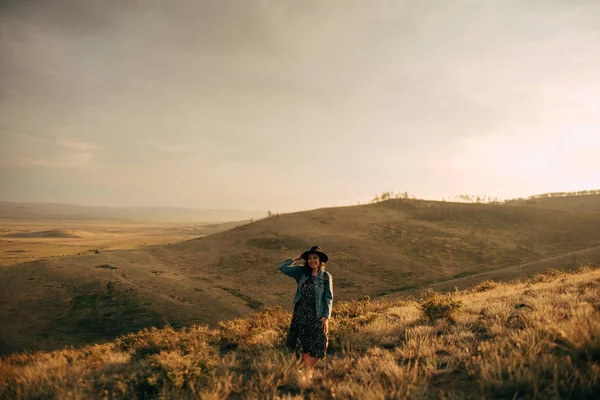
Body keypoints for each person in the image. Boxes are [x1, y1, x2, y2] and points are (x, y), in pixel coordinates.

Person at [279, 246, 333, 370]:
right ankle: (306, 371)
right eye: (309, 258)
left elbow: (328, 298)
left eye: (315, 258)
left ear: (320, 261)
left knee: (321, 344)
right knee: (304, 344)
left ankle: (308, 368)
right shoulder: (302, 272)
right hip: (301, 313)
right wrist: (297, 257)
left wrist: (326, 317)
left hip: (317, 315)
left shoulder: (326, 277)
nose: (312, 260)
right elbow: (283, 268)